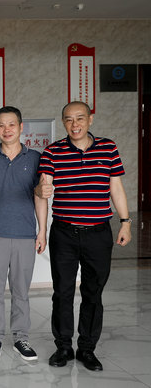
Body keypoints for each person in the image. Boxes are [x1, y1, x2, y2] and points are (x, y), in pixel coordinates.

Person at [37, 101, 132, 371]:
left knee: (93, 292)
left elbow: (116, 188)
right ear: (63, 123)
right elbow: (43, 189)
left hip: (98, 233)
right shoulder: (52, 152)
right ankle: (63, 347)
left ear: (90, 120)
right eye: (68, 119)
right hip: (64, 233)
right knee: (62, 292)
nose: (74, 124)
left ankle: (87, 349)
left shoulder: (108, 148)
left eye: (80, 118)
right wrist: (41, 225)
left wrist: (125, 222)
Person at [0, 106, 47, 361]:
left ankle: (21, 338)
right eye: (1, 125)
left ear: (21, 127)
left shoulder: (36, 158)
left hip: (25, 234)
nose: (6, 130)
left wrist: (42, 231)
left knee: (21, 291)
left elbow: (40, 195)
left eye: (11, 124)